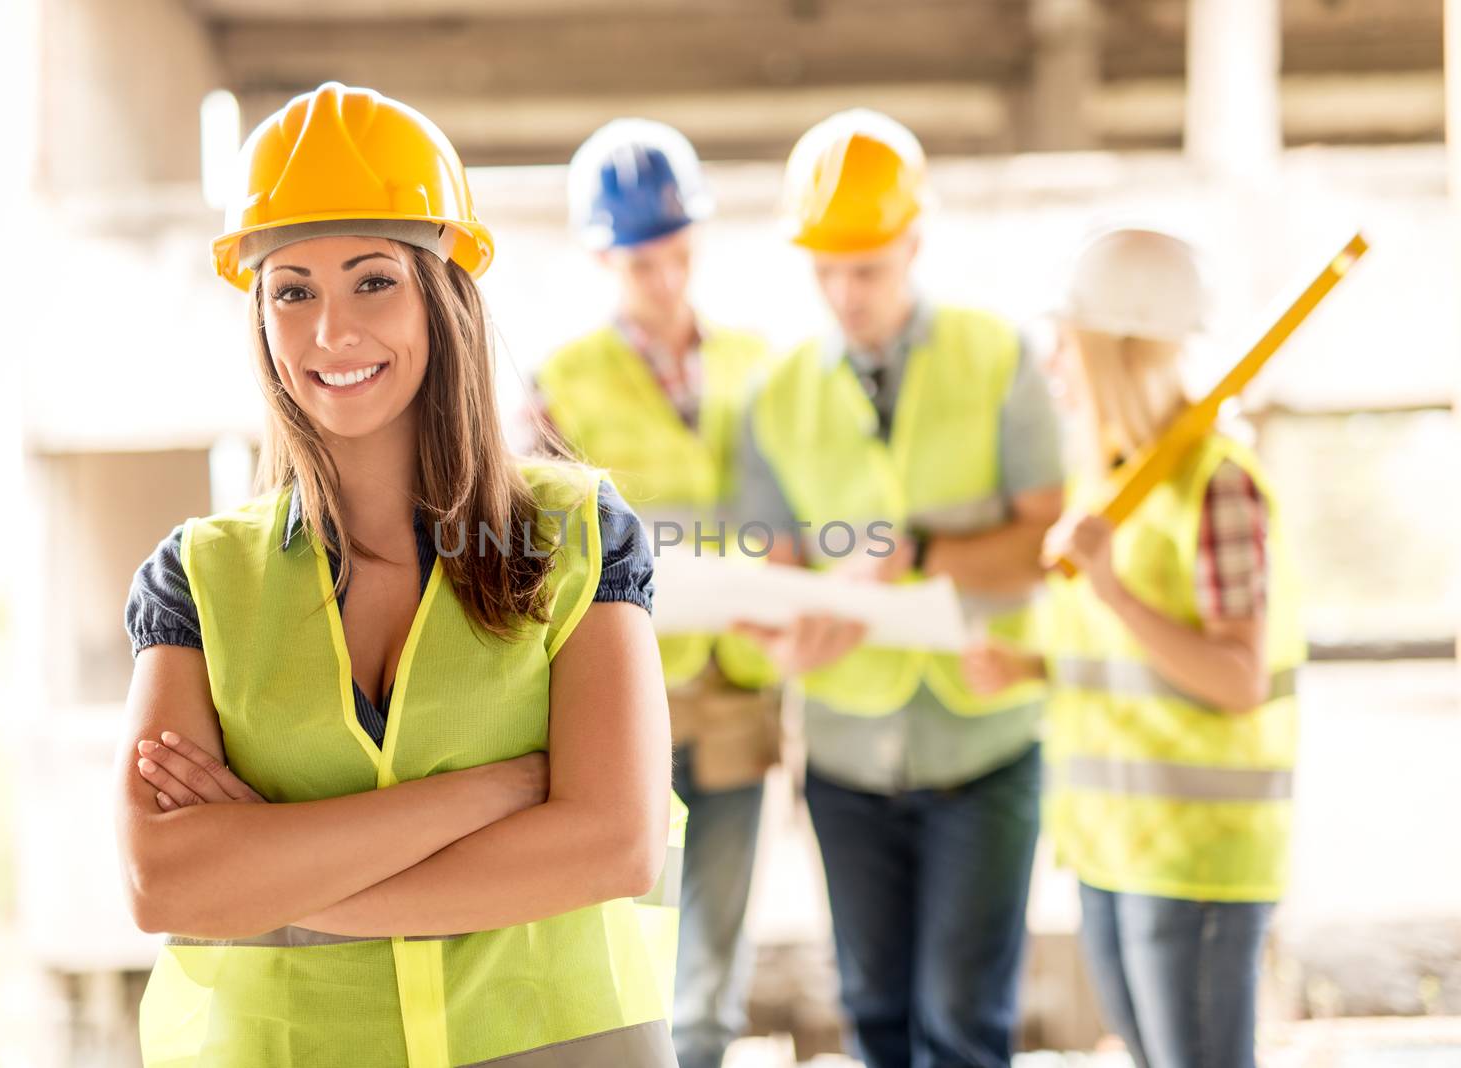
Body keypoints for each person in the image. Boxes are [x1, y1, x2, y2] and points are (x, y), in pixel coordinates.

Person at [115, 82, 683, 1067]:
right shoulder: (197, 580)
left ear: (444, 292)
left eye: (372, 280)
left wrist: (275, 878)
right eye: (292, 289)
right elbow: (164, 885)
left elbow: (613, 846)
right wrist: (499, 792)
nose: (330, 330)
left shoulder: (578, 535)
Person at [733, 109, 1064, 1068]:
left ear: (914, 241)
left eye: (868, 267)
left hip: (984, 742)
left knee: (964, 1024)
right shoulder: (776, 392)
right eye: (826, 269)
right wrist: (784, 639)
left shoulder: (998, 355)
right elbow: (775, 572)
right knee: (874, 1015)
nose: (846, 292)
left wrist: (919, 554)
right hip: (843, 755)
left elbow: (1047, 541)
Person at [963, 227, 1305, 1068]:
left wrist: (1112, 589)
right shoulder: (1111, 483)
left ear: (1115, 351)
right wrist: (1033, 667)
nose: (1052, 371)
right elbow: (1128, 661)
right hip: (1111, 844)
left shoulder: (1217, 486)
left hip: (1194, 856)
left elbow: (1236, 677)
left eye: (1064, 348)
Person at [534, 118, 782, 1068]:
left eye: (678, 252)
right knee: (629, 941)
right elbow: (541, 541)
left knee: (715, 952)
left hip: (739, 679)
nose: (667, 276)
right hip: (626, 691)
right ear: (603, 256)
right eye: (643, 262)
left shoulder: (759, 364)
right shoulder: (563, 383)